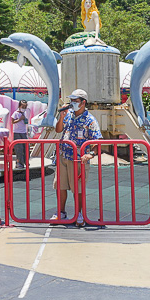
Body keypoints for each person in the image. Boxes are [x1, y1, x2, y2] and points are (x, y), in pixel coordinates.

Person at [53, 89, 102, 225]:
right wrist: (61, 117)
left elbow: (97, 141)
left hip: (78, 159)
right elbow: (58, 130)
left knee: (78, 189)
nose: (72, 103)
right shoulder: (68, 115)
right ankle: (61, 212)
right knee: (60, 186)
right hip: (63, 155)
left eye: (75, 101)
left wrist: (90, 154)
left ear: (83, 103)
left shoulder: (90, 120)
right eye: (71, 101)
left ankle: (78, 214)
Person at [11, 100, 30, 170]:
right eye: (23, 106)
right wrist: (19, 119)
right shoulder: (15, 113)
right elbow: (12, 122)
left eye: (25, 106)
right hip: (17, 132)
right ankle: (19, 163)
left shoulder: (25, 113)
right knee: (19, 149)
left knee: (26, 148)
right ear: (19, 106)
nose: (24, 108)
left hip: (24, 132)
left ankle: (26, 161)